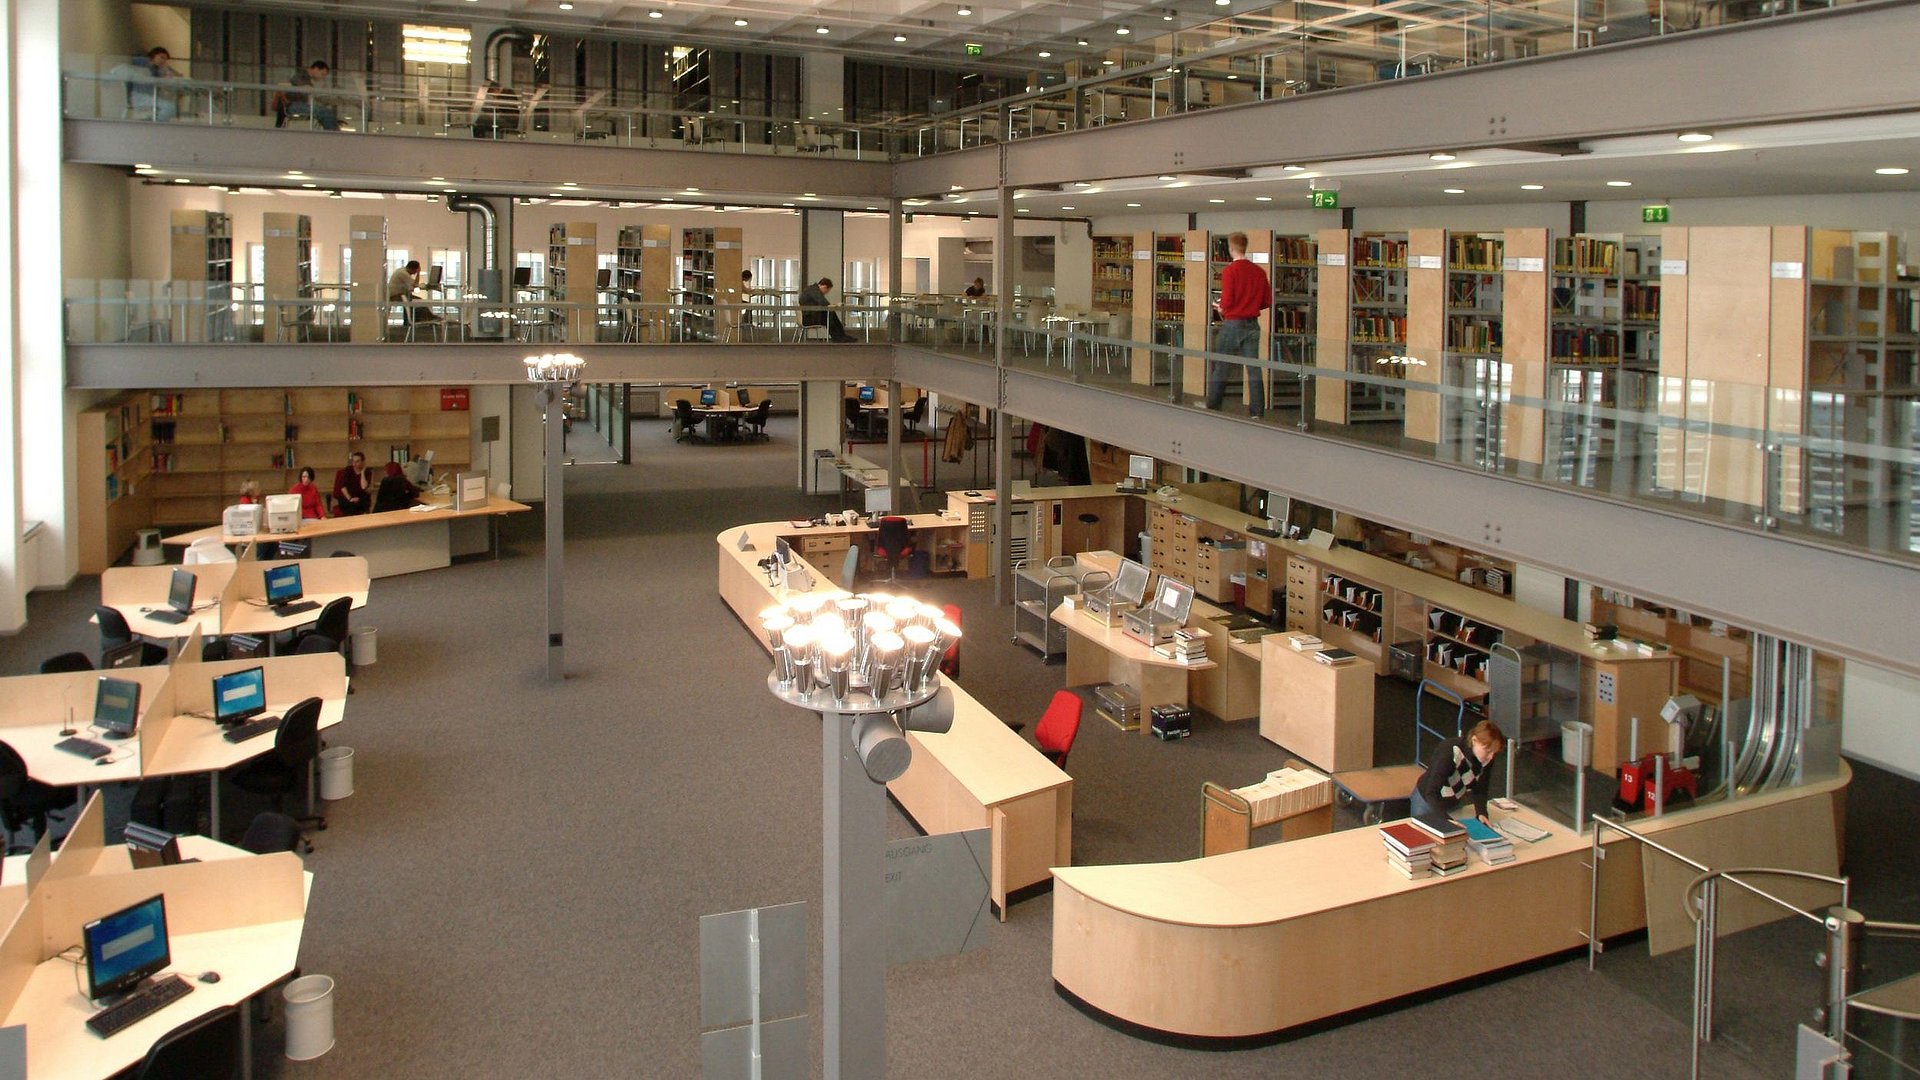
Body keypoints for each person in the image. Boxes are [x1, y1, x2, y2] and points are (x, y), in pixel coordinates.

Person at [1206, 231, 1273, 418]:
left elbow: (1227, 301)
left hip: (1233, 323)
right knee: (1253, 369)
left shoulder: (1230, 271)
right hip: (1252, 325)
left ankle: (1213, 405)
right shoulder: (1259, 272)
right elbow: (1267, 301)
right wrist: (1249, 305)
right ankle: (1257, 411)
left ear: (1231, 248)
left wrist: (1220, 307)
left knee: (1222, 366)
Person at [1412, 719, 1507, 826]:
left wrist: (1481, 812)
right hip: (1427, 801)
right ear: (1474, 740)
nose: (1491, 757)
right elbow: (1431, 792)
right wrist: (1447, 821)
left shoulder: (1486, 759)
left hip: (1452, 801)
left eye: (1494, 753)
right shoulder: (1450, 751)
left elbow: (1481, 788)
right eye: (1488, 751)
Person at [283, 59, 340, 131]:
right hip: (294, 105)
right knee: (325, 112)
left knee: (326, 112)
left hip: (299, 105)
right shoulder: (301, 75)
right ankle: (333, 134)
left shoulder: (306, 79)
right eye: (322, 74)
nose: (322, 77)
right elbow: (296, 82)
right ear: (316, 69)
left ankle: (334, 132)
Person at [127, 47, 180, 122]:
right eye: (161, 57)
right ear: (154, 55)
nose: (163, 61)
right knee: (170, 107)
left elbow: (173, 76)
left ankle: (151, 120)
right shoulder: (142, 62)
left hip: (149, 95)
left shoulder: (155, 69)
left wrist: (165, 71)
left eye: (165, 59)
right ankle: (157, 123)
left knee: (170, 104)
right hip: (139, 95)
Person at [799, 277, 856, 343]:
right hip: (808, 319)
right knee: (829, 316)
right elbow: (824, 303)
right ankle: (838, 337)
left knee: (831, 314)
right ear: (825, 287)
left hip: (810, 316)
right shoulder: (814, 291)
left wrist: (833, 305)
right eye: (827, 290)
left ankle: (842, 336)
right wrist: (835, 305)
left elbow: (824, 304)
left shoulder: (812, 289)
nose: (826, 293)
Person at [387, 259, 437, 327]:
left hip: (401, 294)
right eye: (415, 271)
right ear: (413, 269)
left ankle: (429, 318)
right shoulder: (403, 273)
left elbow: (412, 286)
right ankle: (430, 319)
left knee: (419, 301)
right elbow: (414, 285)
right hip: (396, 296)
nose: (415, 273)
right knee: (419, 302)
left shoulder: (402, 271)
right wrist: (418, 273)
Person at [332, 452, 372, 516]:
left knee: (365, 502)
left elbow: (363, 487)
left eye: (357, 462)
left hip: (360, 497)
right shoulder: (348, 470)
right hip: (347, 497)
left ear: (363, 462)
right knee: (352, 506)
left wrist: (362, 472)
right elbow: (343, 487)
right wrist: (350, 499)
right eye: (353, 461)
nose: (354, 464)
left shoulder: (367, 472)